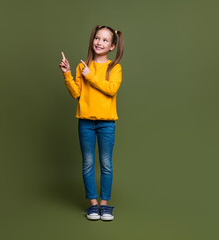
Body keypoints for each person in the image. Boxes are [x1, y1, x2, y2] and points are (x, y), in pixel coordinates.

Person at [58, 25, 124, 221]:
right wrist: (67, 73)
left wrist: (90, 76)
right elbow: (76, 94)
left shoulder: (115, 68)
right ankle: (93, 206)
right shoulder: (81, 66)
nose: (99, 42)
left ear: (112, 46)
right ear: (92, 40)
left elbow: (111, 90)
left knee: (106, 164)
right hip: (85, 122)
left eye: (105, 40)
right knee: (87, 164)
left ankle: (105, 206)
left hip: (107, 124)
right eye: (97, 38)